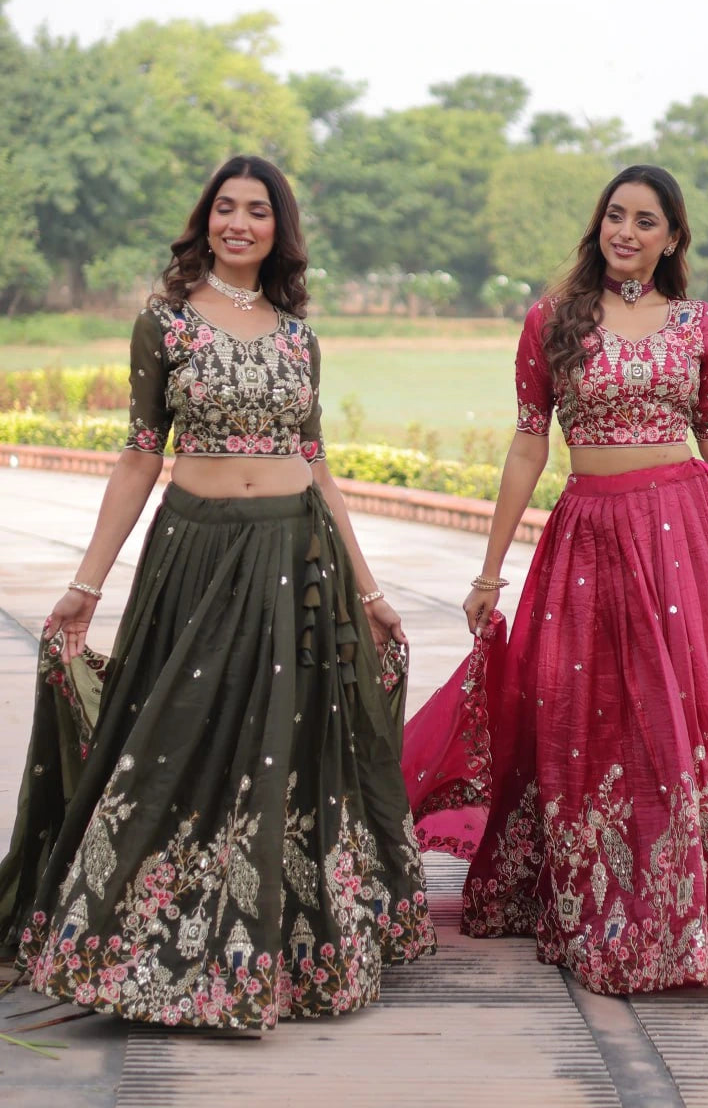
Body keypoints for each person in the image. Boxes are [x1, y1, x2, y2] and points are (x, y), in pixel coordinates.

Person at [0, 155, 435, 1029]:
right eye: (225, 209)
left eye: (257, 211)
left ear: (279, 228)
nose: (239, 223)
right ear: (204, 221)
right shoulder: (162, 324)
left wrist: (370, 588)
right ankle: (140, 934)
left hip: (294, 557)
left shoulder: (297, 336)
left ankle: (281, 951)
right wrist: (88, 584)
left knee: (288, 745)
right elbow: (138, 456)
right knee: (172, 740)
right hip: (195, 556)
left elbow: (318, 466)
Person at [403, 164, 708, 995]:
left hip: (685, 533)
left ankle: (689, 913)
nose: (626, 232)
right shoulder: (552, 320)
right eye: (615, 216)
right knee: (591, 716)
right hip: (589, 538)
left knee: (682, 717)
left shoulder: (699, 326)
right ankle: (602, 901)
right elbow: (525, 446)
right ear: (598, 225)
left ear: (672, 238)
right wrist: (487, 571)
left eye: (645, 221)